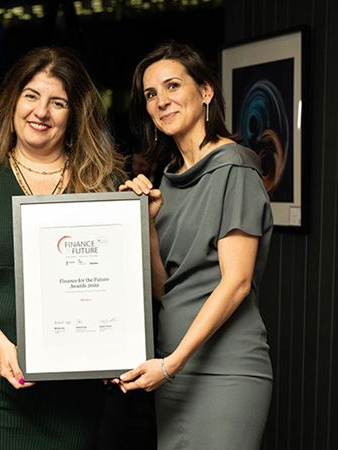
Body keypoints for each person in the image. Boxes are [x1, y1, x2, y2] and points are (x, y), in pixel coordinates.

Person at [0, 46, 125, 450]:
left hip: (71, 394)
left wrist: (115, 349)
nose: (42, 112)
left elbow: (118, 280)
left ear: (74, 115)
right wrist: (2, 344)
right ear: (13, 102)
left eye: (58, 102)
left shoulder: (100, 184)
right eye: (32, 96)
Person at [118, 41, 273, 450]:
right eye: (151, 94)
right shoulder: (167, 178)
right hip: (172, 367)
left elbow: (236, 283)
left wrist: (172, 364)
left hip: (224, 369)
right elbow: (162, 289)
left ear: (205, 92)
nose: (161, 101)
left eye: (172, 86)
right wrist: (148, 226)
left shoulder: (234, 166)